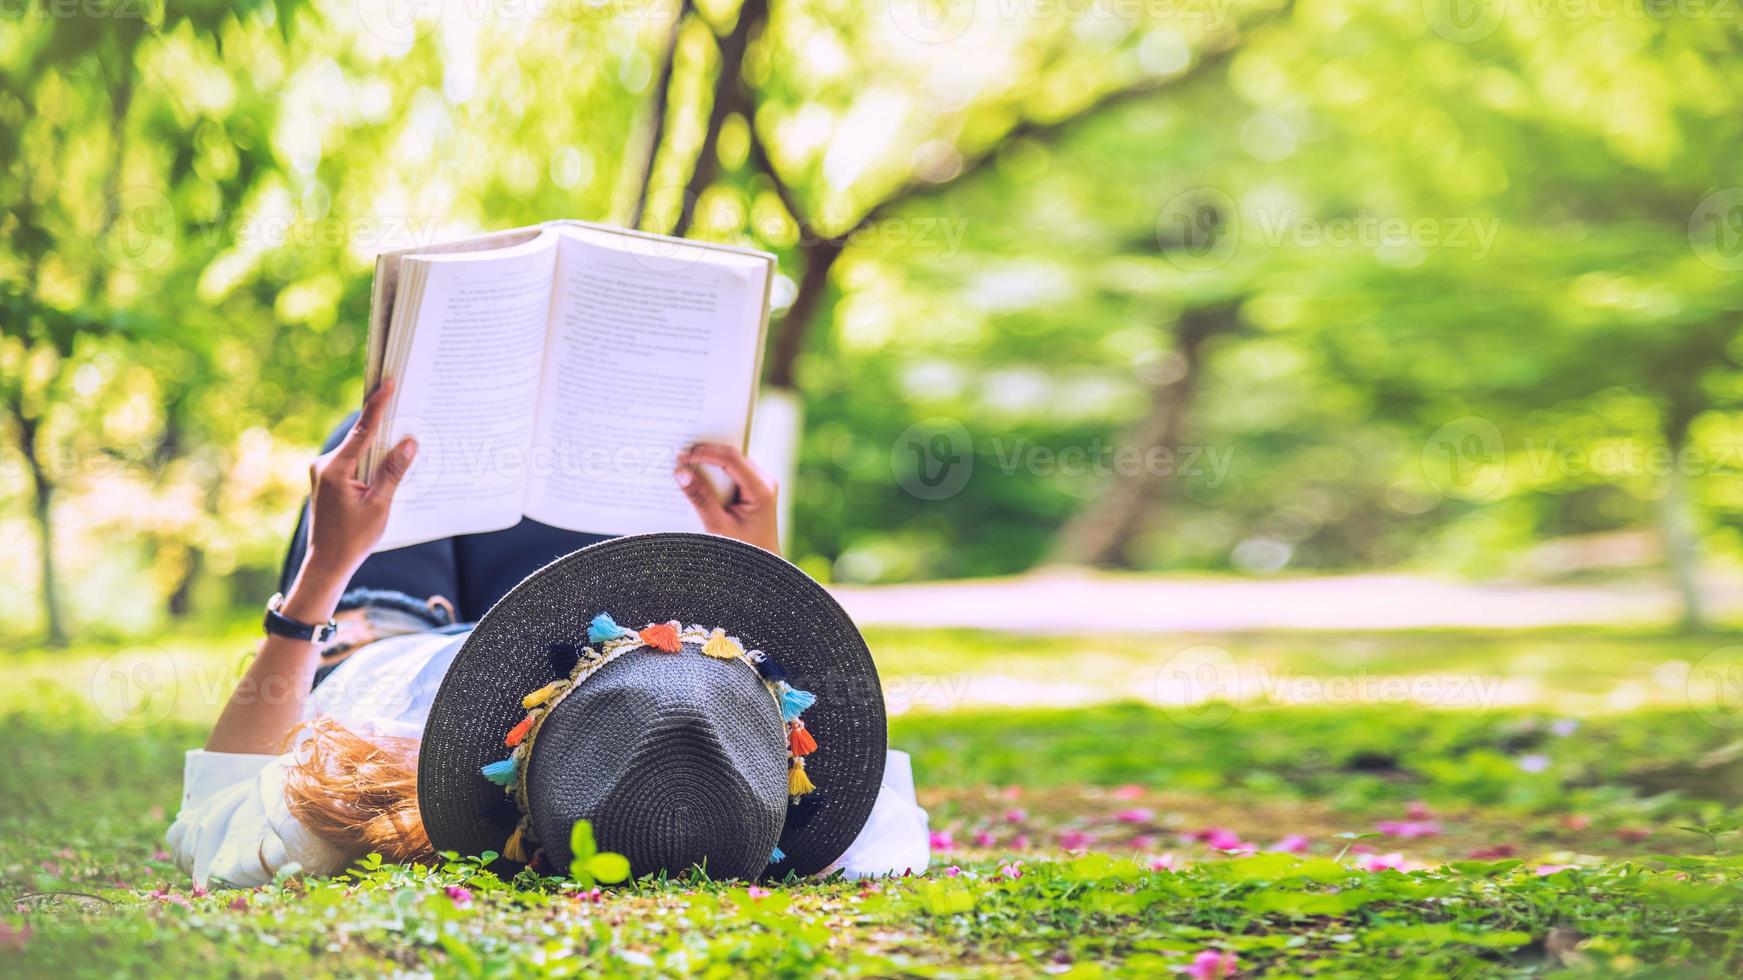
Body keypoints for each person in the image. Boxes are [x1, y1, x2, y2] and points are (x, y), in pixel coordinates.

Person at [168, 384, 929, 887]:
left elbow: (210, 815)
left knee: (403, 426)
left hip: (378, 634)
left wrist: (323, 572)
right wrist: (756, 554)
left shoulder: (343, 811)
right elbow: (875, 782)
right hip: (578, 633)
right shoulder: (844, 837)